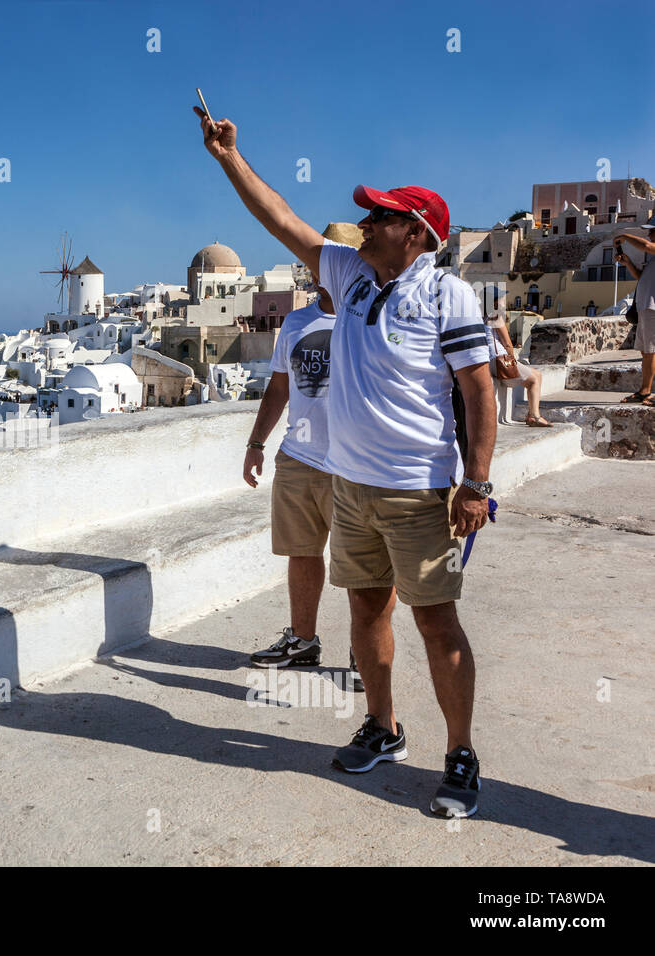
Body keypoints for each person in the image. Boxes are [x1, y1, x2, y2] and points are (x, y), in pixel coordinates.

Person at [195, 106, 495, 818]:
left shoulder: (446, 294)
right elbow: (283, 219)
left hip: (417, 490)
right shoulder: (350, 275)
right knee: (365, 612)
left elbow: (478, 392)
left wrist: (476, 484)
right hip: (348, 486)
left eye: (382, 217)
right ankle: (383, 728)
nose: (365, 223)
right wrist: (228, 157)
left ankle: (459, 753)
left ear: (417, 234)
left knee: (437, 624)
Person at [245, 224, 363, 694]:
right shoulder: (295, 323)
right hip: (298, 457)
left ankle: (364, 653)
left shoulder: (367, 320)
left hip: (354, 464)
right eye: (314, 264)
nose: (318, 273)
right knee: (301, 553)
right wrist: (256, 443)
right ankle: (302, 640)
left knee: (361, 566)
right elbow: (278, 387)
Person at [486, 294, 552, 426]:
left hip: (489, 360)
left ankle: (531, 414)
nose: (505, 301)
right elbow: (507, 344)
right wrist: (512, 359)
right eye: (502, 299)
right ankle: (534, 416)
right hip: (499, 360)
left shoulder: (482, 317)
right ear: (495, 302)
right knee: (533, 380)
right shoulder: (495, 316)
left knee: (537, 375)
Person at [614, 223, 655, 406]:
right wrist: (628, 263)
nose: (649, 234)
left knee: (652, 351)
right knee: (647, 352)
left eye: (652, 231)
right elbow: (641, 276)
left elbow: (646, 246)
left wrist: (625, 236)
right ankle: (644, 391)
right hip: (646, 307)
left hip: (653, 308)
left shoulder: (651, 250)